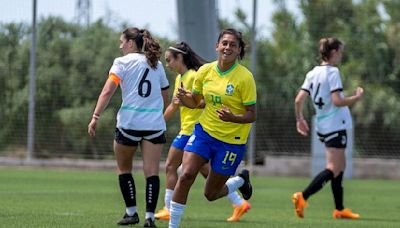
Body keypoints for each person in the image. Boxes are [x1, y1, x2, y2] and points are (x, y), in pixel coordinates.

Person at [168, 28, 257, 228]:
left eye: (233, 45)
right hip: (204, 133)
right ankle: (173, 226)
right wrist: (185, 98)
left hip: (231, 142)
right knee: (186, 175)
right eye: (224, 43)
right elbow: (196, 102)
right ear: (217, 46)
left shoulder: (245, 77)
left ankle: (240, 181)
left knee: (210, 194)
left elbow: (252, 114)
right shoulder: (205, 71)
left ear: (239, 50)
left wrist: (233, 117)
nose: (227, 47)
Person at [88, 27, 169, 227]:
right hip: (153, 125)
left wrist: (96, 115)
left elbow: (107, 91)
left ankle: (131, 212)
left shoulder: (121, 62)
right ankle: (150, 217)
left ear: (131, 43)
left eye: (122, 41)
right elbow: (165, 94)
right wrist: (158, 114)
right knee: (152, 172)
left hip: (129, 124)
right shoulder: (156, 64)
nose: (120, 45)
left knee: (124, 168)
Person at [292, 37, 364, 219]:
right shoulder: (332, 72)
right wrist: (355, 98)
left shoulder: (312, 73)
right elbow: (337, 101)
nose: (341, 55)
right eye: (340, 52)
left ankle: (339, 209)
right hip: (335, 124)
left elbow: (298, 99)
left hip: (322, 125)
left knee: (340, 167)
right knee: (334, 167)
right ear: (333, 53)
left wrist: (299, 119)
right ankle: (303, 196)